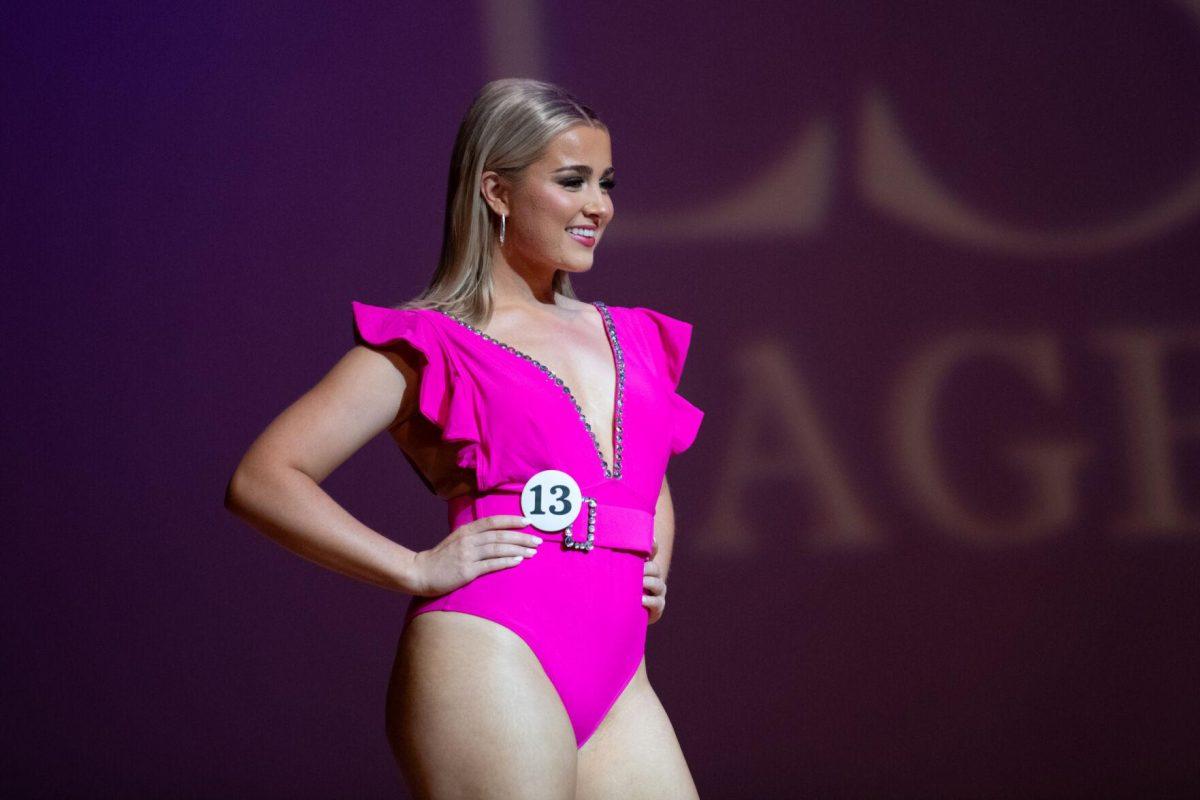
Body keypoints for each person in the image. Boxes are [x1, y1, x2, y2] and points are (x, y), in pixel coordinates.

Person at [225, 78, 704, 799]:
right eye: (571, 181)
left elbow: (646, 472)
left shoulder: (635, 335)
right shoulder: (432, 341)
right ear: (497, 191)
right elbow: (265, 477)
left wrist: (653, 564)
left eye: (605, 183)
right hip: (491, 645)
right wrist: (414, 568)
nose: (598, 206)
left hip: (621, 669)